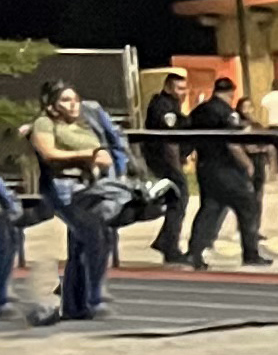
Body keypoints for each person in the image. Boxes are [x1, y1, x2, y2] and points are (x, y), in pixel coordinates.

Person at [26, 83, 120, 323]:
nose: (73, 104)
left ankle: (74, 305)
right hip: (61, 187)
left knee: (82, 244)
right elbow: (49, 153)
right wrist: (87, 156)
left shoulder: (81, 127)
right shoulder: (45, 123)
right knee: (94, 233)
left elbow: (104, 154)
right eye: (66, 100)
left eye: (76, 99)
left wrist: (101, 161)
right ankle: (94, 297)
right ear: (52, 105)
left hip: (88, 186)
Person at [185, 79, 269, 268]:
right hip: (227, 168)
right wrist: (247, 164)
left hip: (205, 166)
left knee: (210, 209)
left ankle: (194, 252)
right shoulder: (227, 112)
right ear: (231, 93)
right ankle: (251, 254)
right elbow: (232, 142)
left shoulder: (199, 111)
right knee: (248, 207)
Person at [141, 74, 194, 260]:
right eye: (179, 88)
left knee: (176, 200)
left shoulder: (172, 105)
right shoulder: (163, 105)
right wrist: (176, 166)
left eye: (184, 88)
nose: (183, 92)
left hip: (168, 160)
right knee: (179, 199)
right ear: (168, 87)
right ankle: (170, 247)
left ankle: (165, 241)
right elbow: (168, 141)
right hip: (164, 161)